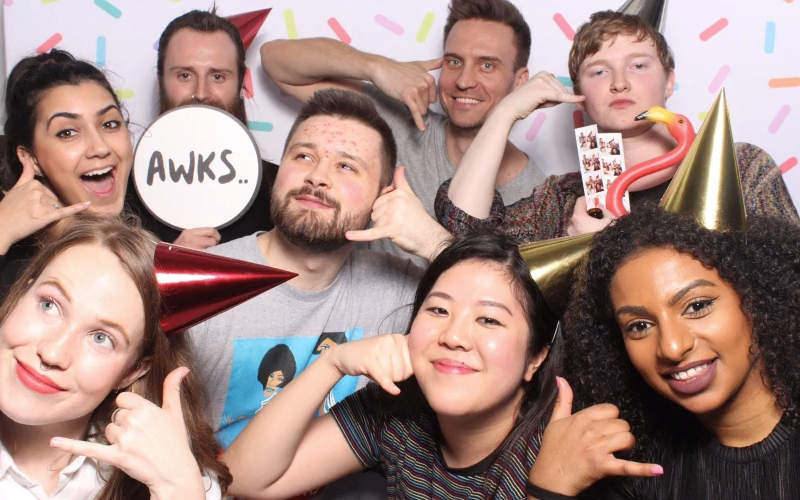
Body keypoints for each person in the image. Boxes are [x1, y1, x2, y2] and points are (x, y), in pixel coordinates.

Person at [190, 88, 422, 496]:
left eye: (347, 166)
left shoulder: (398, 291)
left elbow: (513, 315)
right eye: (303, 157)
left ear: (384, 198)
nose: (317, 176)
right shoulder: (203, 285)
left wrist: (429, 239)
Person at [221, 232, 562, 499]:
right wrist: (332, 363)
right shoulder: (396, 409)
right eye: (438, 310)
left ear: (536, 357)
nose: (454, 336)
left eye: (488, 319)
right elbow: (243, 477)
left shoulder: (556, 458)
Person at [435, 10, 799, 242]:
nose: (619, 83)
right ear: (580, 93)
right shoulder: (560, 200)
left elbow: (788, 276)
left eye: (638, 66)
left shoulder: (740, 168)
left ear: (669, 81)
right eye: (599, 71)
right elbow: (465, 230)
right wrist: (505, 112)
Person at [260, 0, 563, 263]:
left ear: (520, 81)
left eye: (487, 66)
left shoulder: (538, 197)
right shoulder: (391, 123)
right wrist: (377, 67)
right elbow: (276, 61)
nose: (464, 81)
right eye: (454, 62)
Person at [529, 206, 800, 499]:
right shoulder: (637, 469)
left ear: (755, 298)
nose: (671, 347)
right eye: (640, 325)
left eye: (697, 306)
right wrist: (547, 487)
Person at [0, 211, 230, 499]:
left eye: (101, 338)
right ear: (23, 292)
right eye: (49, 305)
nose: (52, 352)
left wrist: (177, 490)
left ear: (132, 371)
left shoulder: (181, 476)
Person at [125, 8, 279, 250]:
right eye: (184, 75)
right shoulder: (118, 195)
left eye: (218, 77)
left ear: (241, 84)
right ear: (160, 81)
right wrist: (168, 265)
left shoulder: (279, 190)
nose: (202, 93)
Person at [0, 50, 130, 300]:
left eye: (109, 124)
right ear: (31, 159)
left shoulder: (151, 236)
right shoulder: (14, 267)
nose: (100, 148)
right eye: (68, 132)